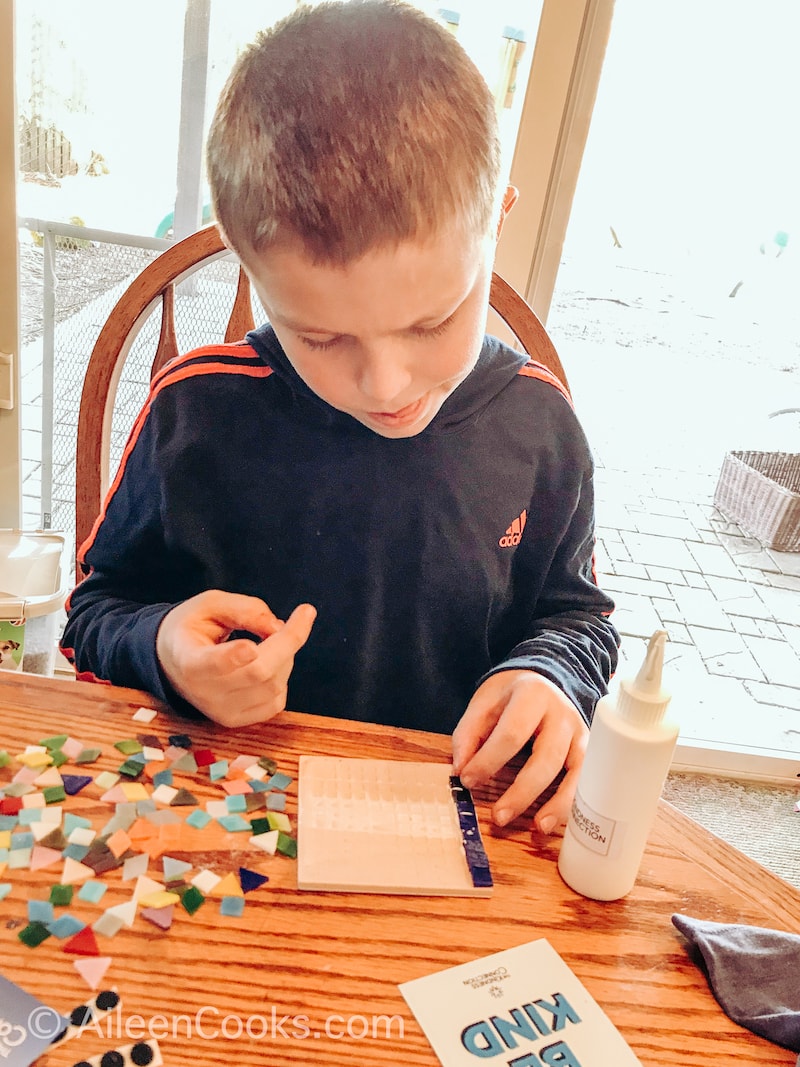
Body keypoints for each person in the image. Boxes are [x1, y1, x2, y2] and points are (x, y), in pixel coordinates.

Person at [62, 0, 619, 835]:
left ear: (494, 222)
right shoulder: (193, 413)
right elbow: (94, 612)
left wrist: (550, 675)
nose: (384, 382)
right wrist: (168, 645)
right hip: (222, 815)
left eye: (432, 320)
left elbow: (578, 617)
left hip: (448, 826)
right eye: (320, 335)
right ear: (248, 265)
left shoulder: (539, 427)